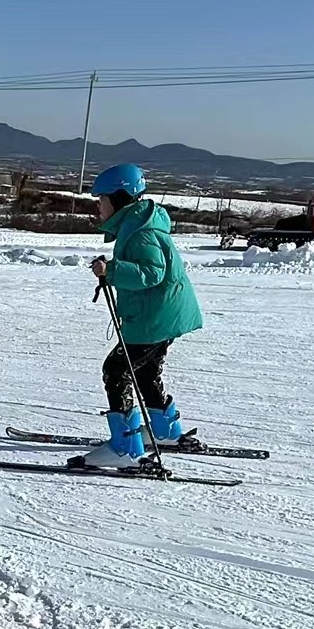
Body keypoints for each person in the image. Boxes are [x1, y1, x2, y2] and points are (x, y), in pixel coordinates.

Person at [78, 163, 204, 469]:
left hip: (154, 318)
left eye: (102, 198)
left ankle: (125, 448)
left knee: (117, 370)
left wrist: (112, 270)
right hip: (164, 315)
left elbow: (151, 272)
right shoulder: (138, 224)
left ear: (118, 198)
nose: (98, 205)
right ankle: (165, 430)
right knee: (145, 372)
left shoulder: (140, 232)